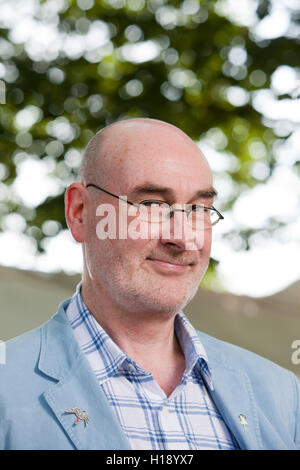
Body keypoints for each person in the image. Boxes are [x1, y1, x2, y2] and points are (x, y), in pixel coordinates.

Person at [0, 118, 299, 450]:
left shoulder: (281, 394)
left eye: (199, 209)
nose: (183, 239)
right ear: (81, 212)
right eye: (153, 205)